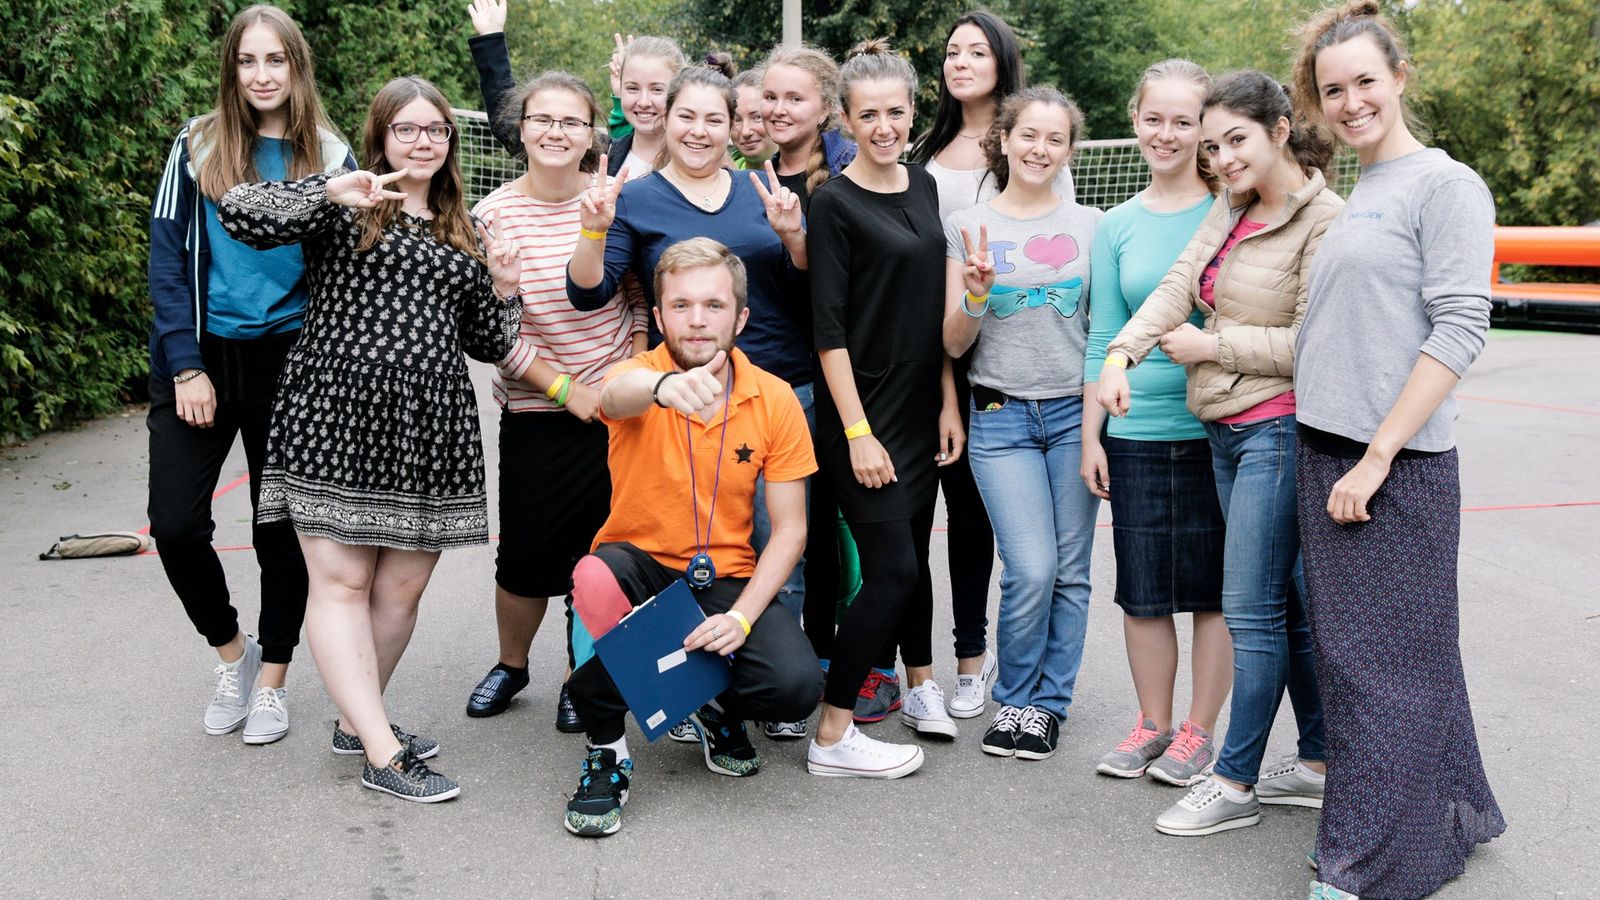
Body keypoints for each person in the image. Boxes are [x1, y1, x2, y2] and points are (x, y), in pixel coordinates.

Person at [218, 76, 523, 803]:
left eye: (436, 130)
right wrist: (328, 191)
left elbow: (486, 343)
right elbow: (240, 211)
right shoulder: (347, 202)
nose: (423, 141)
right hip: (336, 415)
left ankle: (357, 722)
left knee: (401, 589)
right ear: (381, 136)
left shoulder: (466, 227)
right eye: (407, 129)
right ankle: (383, 754)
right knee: (343, 584)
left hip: (430, 427)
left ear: (450, 141)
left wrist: (504, 287)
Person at [1291, 3, 1504, 896]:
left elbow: (1460, 328)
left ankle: (1363, 863)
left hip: (1391, 468)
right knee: (1398, 658)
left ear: (1401, 77)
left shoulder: (1445, 186)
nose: (1351, 102)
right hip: (1324, 449)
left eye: (1365, 82)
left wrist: (1377, 457)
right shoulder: (1363, 188)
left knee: (1376, 670)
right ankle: (1455, 807)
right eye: (1333, 89)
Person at [1097, 69, 1342, 836]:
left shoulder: (1325, 220)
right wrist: (1122, 355)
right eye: (1213, 147)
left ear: (1279, 130)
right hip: (1225, 432)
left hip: (1277, 430)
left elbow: (1314, 343)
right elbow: (1177, 286)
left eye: (1236, 140)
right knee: (1289, 608)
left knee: (1250, 612)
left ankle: (1232, 783)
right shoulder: (1232, 205)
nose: (1223, 158)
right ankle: (1319, 763)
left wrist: (1213, 346)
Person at [562, 237, 820, 837]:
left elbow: (791, 529)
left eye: (713, 305)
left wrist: (743, 619)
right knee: (592, 576)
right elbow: (613, 396)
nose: (697, 320)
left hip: (722, 576)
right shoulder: (638, 375)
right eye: (681, 305)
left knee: (795, 686)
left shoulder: (775, 397)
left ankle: (708, 703)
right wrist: (660, 390)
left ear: (741, 318)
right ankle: (607, 751)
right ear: (659, 317)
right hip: (640, 568)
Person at [146, 3, 353, 747]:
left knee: (280, 532)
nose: (262, 75)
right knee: (175, 526)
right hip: (200, 358)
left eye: (276, 60)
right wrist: (185, 365)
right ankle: (233, 654)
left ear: (297, 67)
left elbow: (355, 264)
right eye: (247, 60)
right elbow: (166, 258)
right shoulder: (197, 143)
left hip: (290, 359)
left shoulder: (330, 154)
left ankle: (272, 681)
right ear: (231, 69)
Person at [458, 65, 649, 731]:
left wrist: (628, 373)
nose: (556, 131)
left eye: (572, 121)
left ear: (592, 133)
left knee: (597, 555)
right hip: (539, 409)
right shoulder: (490, 216)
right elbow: (490, 328)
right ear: (520, 128)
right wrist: (566, 390)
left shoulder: (615, 201)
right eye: (543, 119)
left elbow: (638, 298)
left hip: (617, 408)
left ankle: (580, 676)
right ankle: (512, 664)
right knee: (523, 559)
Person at [908, 10, 1075, 721]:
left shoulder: (1028, 152)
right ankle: (919, 670)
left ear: (1003, 62)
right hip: (931, 348)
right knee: (917, 523)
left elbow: (1057, 264)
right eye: (953, 51)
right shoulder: (922, 151)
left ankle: (974, 662)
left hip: (1002, 364)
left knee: (978, 525)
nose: (961, 62)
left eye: (978, 52)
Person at [807, 39, 963, 777]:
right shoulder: (833, 203)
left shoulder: (924, 184)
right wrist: (857, 432)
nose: (883, 126)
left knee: (913, 557)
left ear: (911, 111)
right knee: (892, 571)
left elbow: (931, 311)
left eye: (895, 112)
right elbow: (829, 331)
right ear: (845, 119)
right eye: (867, 115)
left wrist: (947, 403)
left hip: (920, 404)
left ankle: (921, 686)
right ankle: (833, 734)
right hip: (861, 414)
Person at [942, 86, 1102, 761]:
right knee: (1031, 568)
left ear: (1069, 150)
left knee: (1071, 572)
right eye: (1028, 135)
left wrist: (1096, 429)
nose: (1040, 148)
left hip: (1073, 414)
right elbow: (953, 342)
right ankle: (1014, 696)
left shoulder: (1093, 225)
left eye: (1054, 138)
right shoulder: (968, 224)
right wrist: (977, 294)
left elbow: (1103, 334)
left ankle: (1046, 706)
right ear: (1004, 140)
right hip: (1000, 415)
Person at [1084, 60, 1231, 785]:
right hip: (1136, 432)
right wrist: (1093, 434)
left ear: (1205, 129)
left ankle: (1198, 732)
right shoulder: (1116, 225)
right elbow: (1103, 336)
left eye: (1183, 120)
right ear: (1135, 121)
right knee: (1143, 593)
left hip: (1218, 429)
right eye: (1153, 119)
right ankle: (1153, 723)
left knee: (1212, 593)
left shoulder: (1233, 212)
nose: (1166, 133)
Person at [469, 0, 682, 181]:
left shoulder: (694, 158)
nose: (643, 101)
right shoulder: (601, 155)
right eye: (632, 88)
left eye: (657, 89)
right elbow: (509, 125)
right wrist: (491, 40)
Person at [731, 69, 776, 169]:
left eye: (757, 117)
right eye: (736, 120)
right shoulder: (724, 174)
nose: (745, 132)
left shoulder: (808, 173)